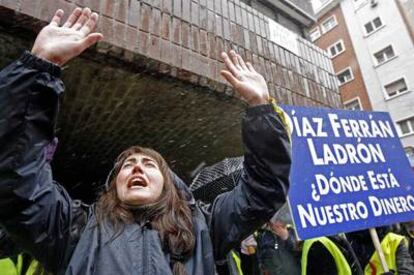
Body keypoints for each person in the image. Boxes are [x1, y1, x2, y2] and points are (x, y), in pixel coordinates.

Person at [0, 6, 291, 275]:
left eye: (148, 163)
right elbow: (17, 177)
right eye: (127, 165)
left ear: (168, 181)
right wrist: (37, 67)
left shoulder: (204, 228)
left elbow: (263, 190)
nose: (137, 168)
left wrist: (260, 107)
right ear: (114, 184)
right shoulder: (71, 229)